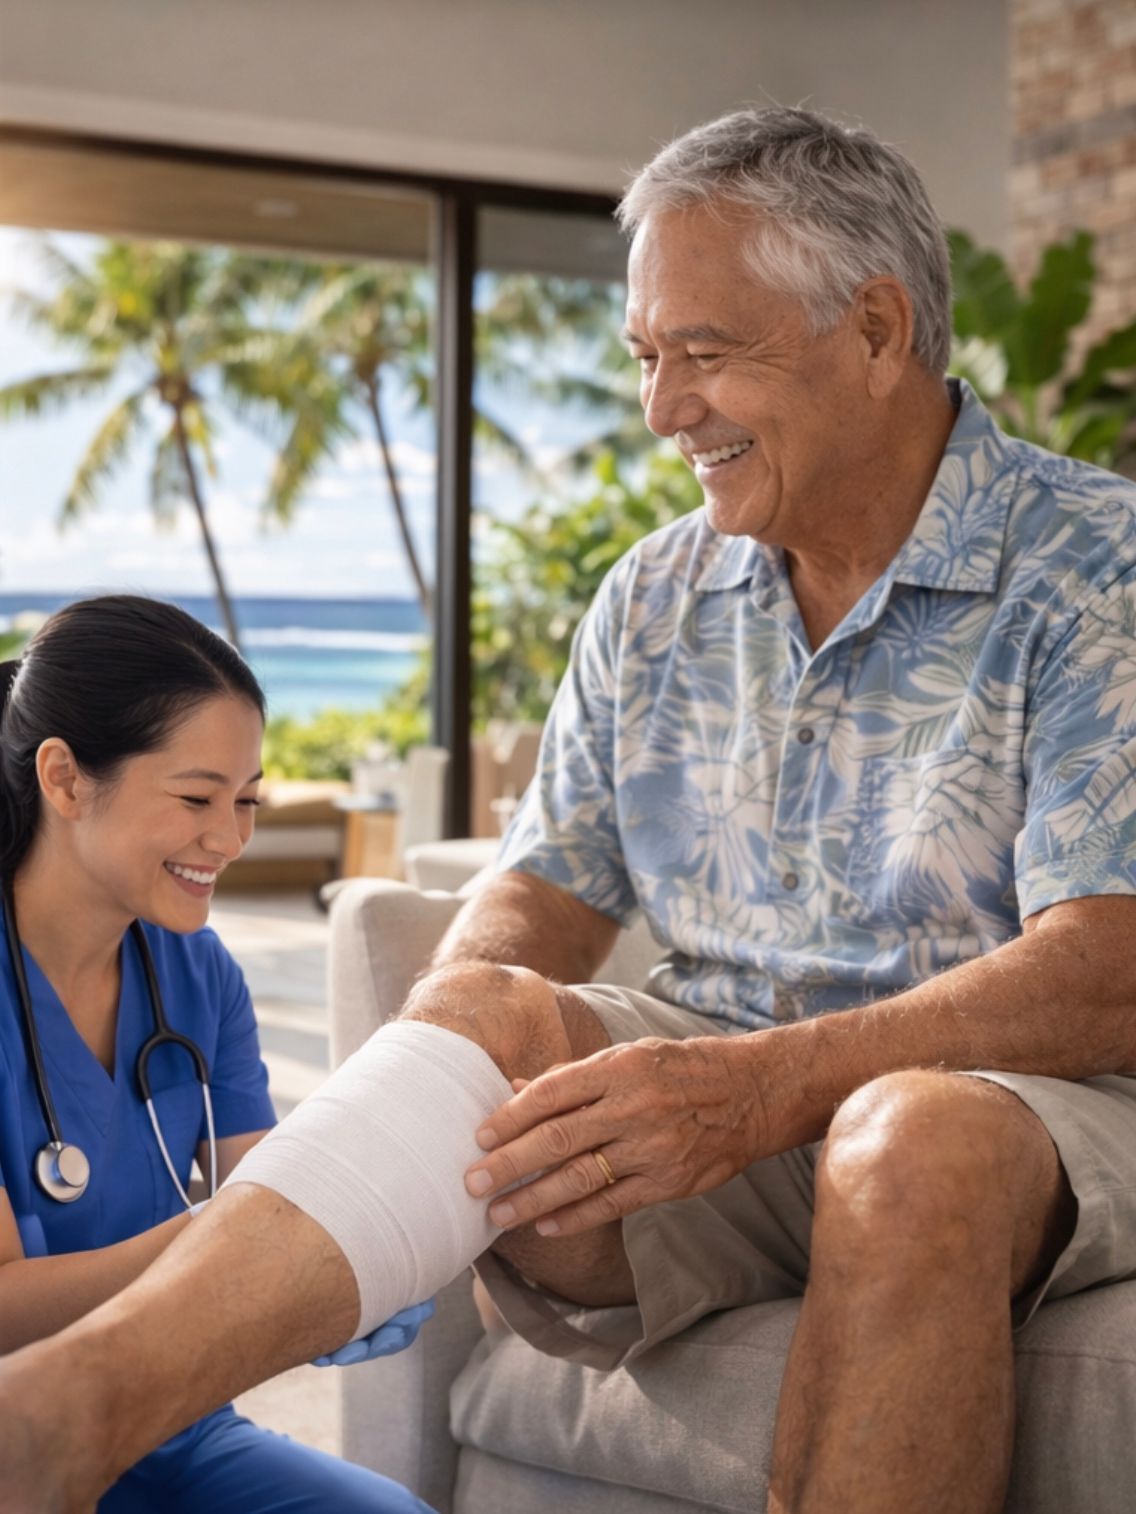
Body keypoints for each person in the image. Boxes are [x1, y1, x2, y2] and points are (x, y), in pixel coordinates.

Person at [2, 105, 1136, 1514]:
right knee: (475, 1013)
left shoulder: (1099, 567)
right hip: (736, 1109)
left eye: (706, 354)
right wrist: (462, 1037)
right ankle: (64, 1408)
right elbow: (543, 887)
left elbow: (1108, 968)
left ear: (878, 329)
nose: (664, 411)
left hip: (1032, 1112)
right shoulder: (657, 595)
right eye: (649, 360)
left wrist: (767, 1086)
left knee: (910, 1143)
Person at [0, 595, 435, 1514]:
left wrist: (340, 1267)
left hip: (168, 1427)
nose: (231, 840)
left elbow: (268, 1191)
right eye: (197, 798)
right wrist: (235, 1247)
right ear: (66, 779)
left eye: (246, 801)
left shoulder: (198, 977)